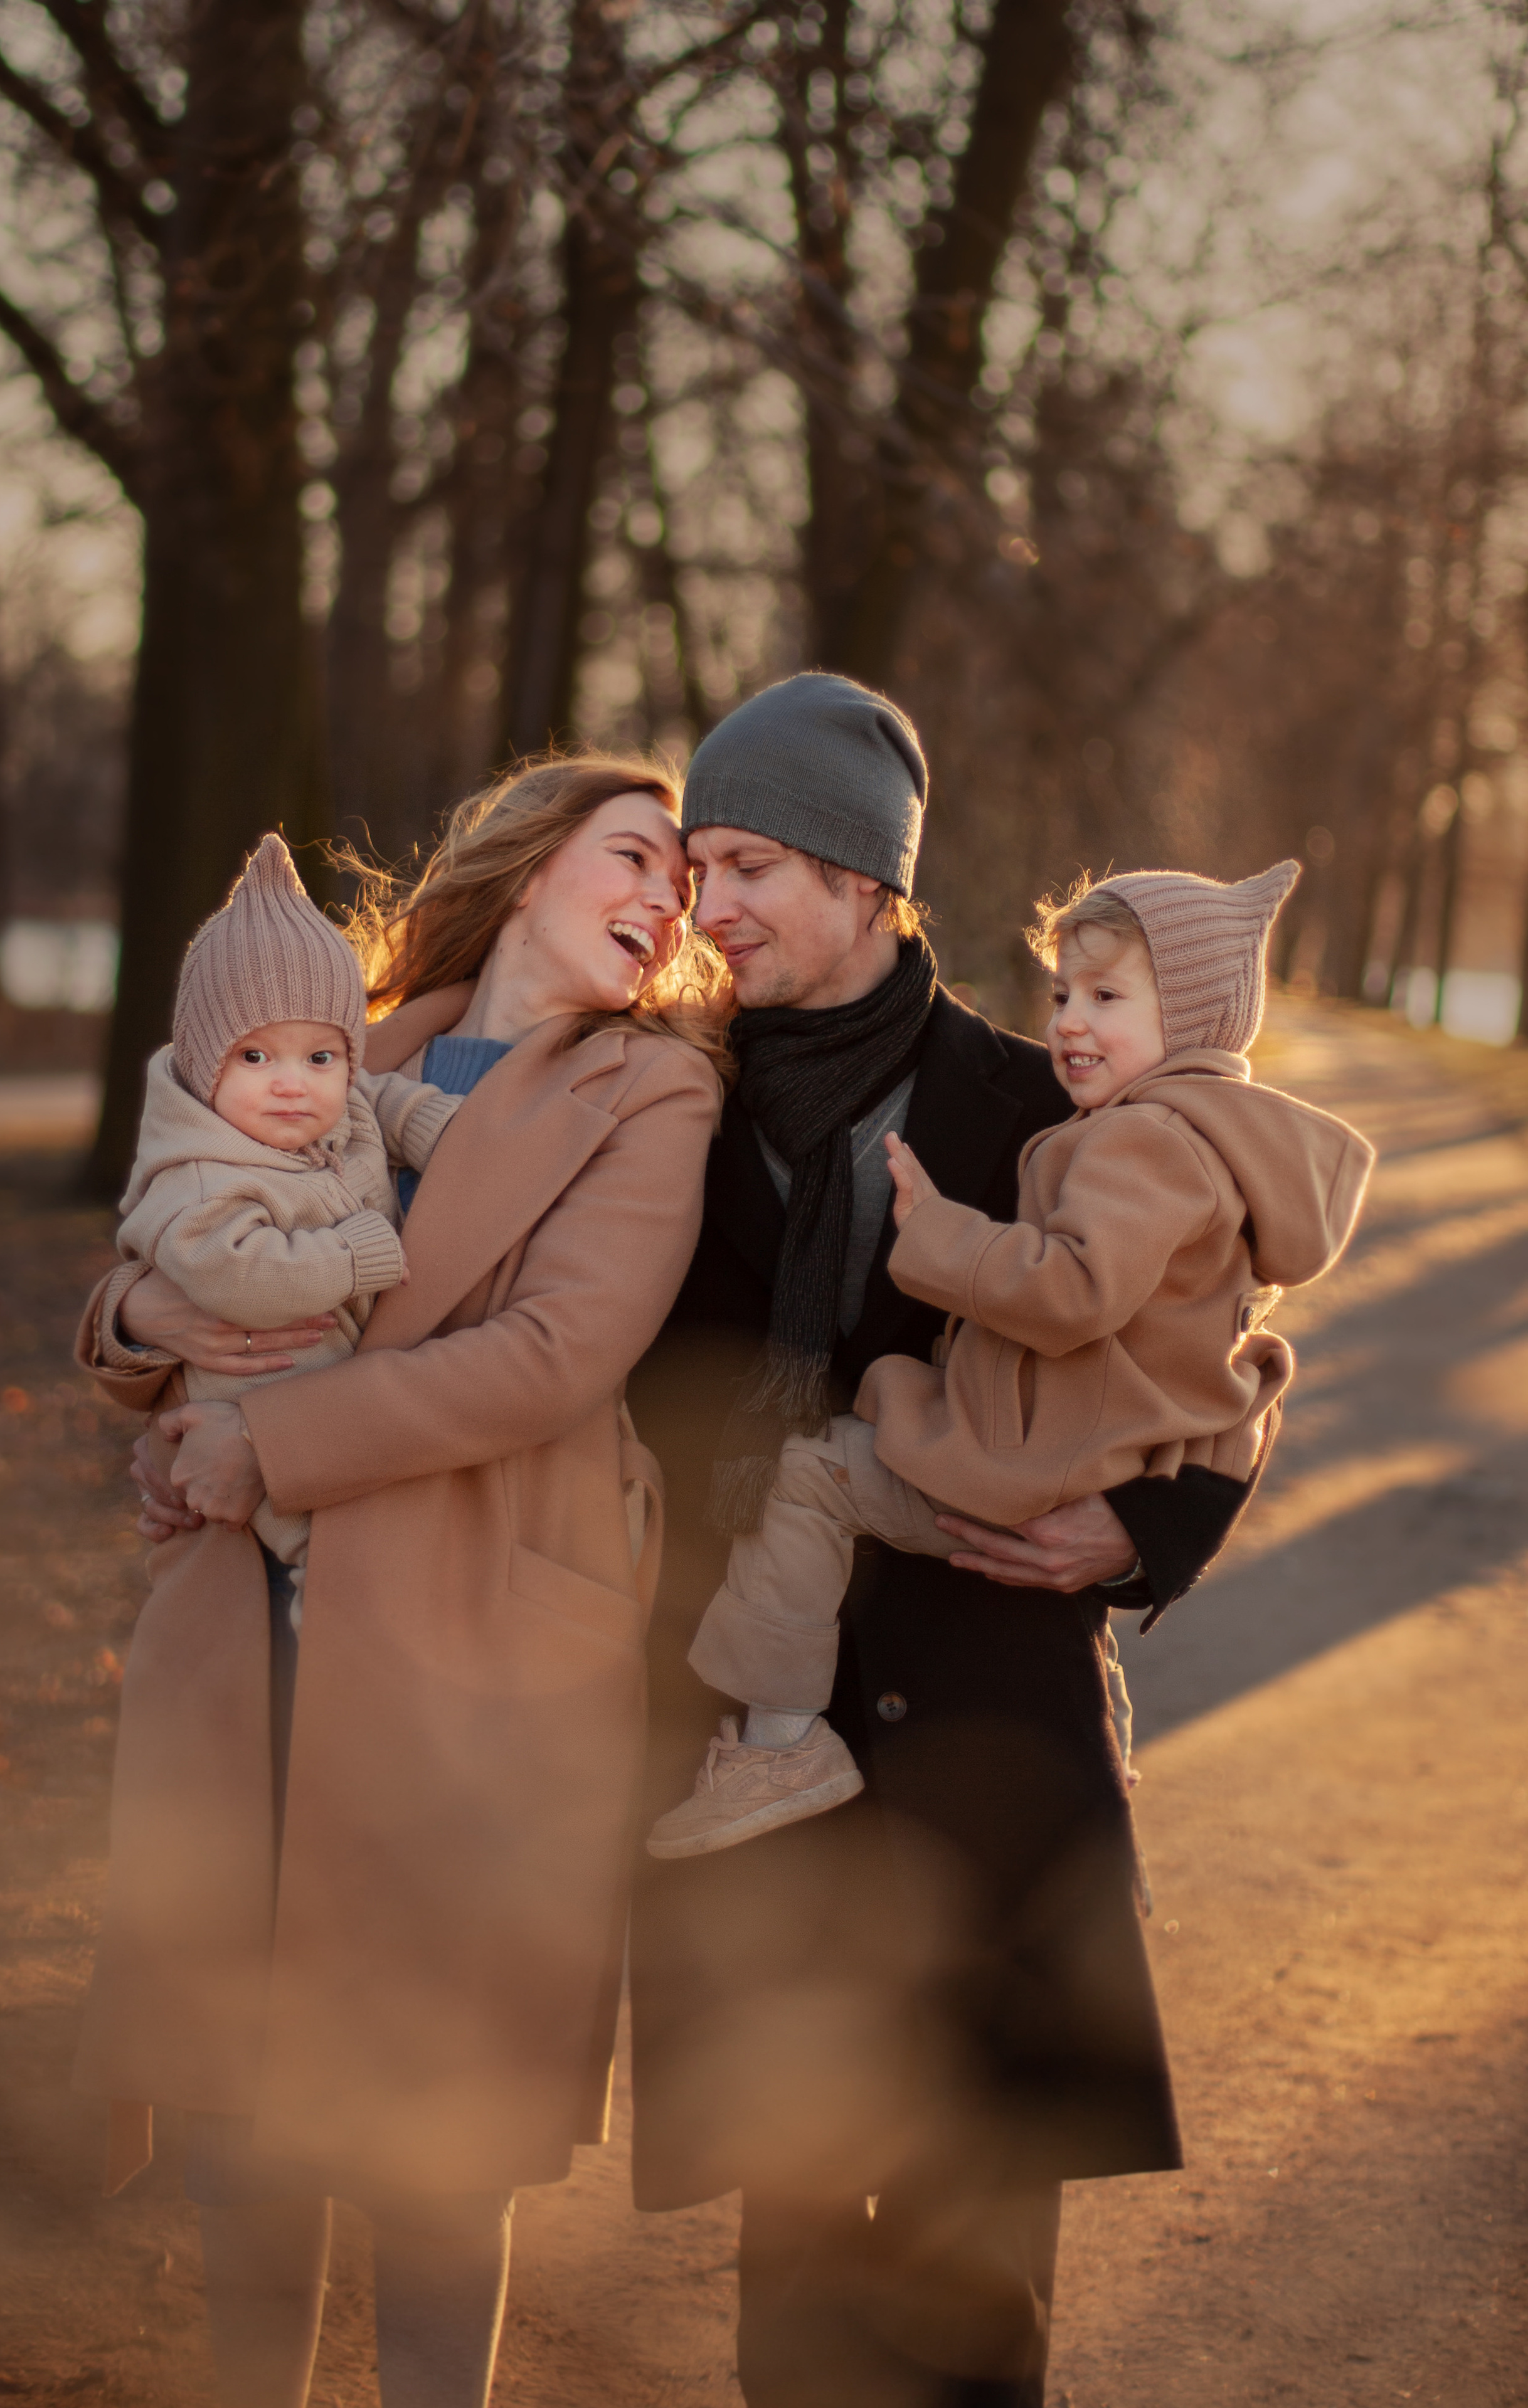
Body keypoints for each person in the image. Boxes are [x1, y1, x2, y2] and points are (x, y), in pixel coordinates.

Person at [625, 672, 1287, 2408]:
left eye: (749, 865)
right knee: (791, 2280)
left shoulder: (1037, 1102)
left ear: (864, 877)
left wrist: (1138, 1533)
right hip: (761, 1750)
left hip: (988, 1734)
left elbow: (1212, 1347)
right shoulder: (668, 1109)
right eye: (696, 869)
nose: (711, 906)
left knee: (978, 2281)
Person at [75, 756, 727, 2408]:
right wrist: (142, 1326)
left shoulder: (651, 1092)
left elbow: (556, 1351)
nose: (667, 902)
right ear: (529, 865)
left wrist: (268, 1443)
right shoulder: (339, 1040)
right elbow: (170, 1221)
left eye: (683, 886)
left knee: (440, 2139)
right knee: (239, 2116)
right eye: (634, 857)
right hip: (253, 1630)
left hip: (473, 1642)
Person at [649, 860, 1373, 1857]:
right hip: (1034, 1453)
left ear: (861, 874)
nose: (1070, 1021)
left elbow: (1089, 1299)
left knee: (809, 1471)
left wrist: (937, 1234)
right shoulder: (1176, 1134)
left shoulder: (1128, 1137)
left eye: (1107, 998)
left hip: (1018, 1526)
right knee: (867, 1421)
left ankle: (777, 1742)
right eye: (1064, 994)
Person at [115, 830, 465, 1615]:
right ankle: (325, 1622)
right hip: (254, 1395)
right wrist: (352, 1256)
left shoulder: (339, 1108)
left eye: (319, 1058)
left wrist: (438, 1125)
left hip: (334, 1395)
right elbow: (238, 1276)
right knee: (324, 1547)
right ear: (204, 1063)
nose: (291, 1085)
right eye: (255, 1058)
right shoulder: (199, 1173)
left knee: (376, 1532)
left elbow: (380, 1100)